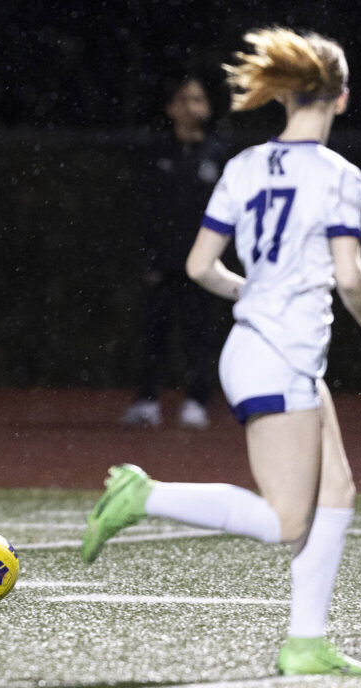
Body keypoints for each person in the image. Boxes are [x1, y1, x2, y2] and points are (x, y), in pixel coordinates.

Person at [83, 29, 361, 675]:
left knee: (338, 492)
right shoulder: (338, 174)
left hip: (261, 347)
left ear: (283, 95)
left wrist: (261, 291)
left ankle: (306, 641)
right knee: (285, 522)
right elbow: (352, 278)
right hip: (280, 356)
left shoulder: (243, 165)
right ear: (342, 98)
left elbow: (199, 266)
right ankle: (144, 495)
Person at [122, 76, 227, 430]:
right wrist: (148, 256)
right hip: (163, 262)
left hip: (203, 265)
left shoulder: (217, 153)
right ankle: (147, 401)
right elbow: (143, 209)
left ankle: (196, 401)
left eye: (198, 99)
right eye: (183, 99)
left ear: (208, 107)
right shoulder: (156, 152)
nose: (190, 107)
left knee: (200, 334)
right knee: (155, 332)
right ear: (170, 108)